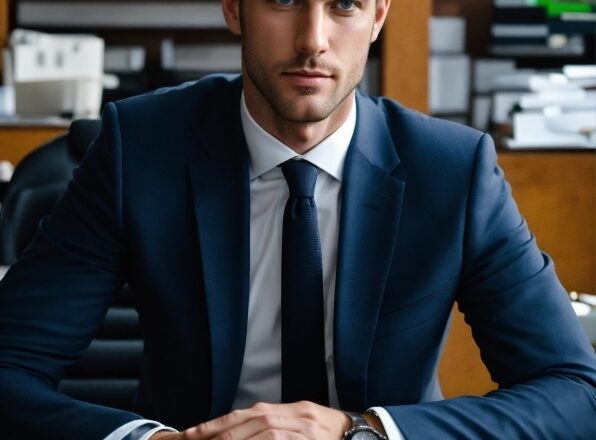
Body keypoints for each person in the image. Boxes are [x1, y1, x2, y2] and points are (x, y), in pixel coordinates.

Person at [0, 0, 594, 438]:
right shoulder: (140, 150)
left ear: (379, 17)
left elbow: (574, 391)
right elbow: (9, 368)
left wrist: (361, 433)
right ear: (234, 9)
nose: (313, 39)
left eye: (344, 6)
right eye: (283, 1)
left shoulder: (453, 171)